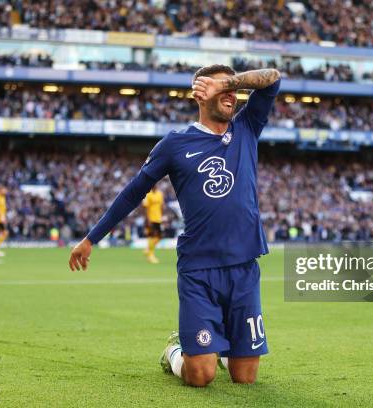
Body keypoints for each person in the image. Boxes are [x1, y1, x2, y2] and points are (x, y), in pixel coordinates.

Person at [68, 65, 281, 386]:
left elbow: (273, 78)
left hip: (244, 268)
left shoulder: (247, 127)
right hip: (199, 269)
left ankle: (219, 344)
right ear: (200, 94)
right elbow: (132, 193)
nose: (232, 95)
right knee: (200, 376)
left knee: (245, 378)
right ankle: (175, 351)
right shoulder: (175, 143)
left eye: (233, 89)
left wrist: (228, 82)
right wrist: (91, 238)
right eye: (222, 89)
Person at [142, 184, 164, 264]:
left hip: (158, 218)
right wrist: (147, 220)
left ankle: (148, 249)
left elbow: (162, 206)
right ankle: (150, 256)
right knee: (151, 236)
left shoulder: (160, 194)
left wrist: (162, 216)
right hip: (151, 219)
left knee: (159, 237)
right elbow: (145, 208)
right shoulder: (148, 194)